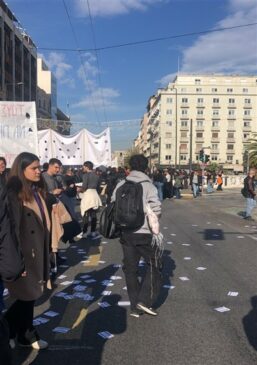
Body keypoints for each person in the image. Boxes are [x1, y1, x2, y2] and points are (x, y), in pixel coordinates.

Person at [4, 152, 51, 350]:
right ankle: (23, 334)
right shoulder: (14, 195)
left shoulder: (37, 191)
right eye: (34, 168)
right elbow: (11, 230)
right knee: (25, 297)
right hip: (24, 254)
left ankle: (16, 333)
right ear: (22, 170)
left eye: (39, 167)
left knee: (26, 297)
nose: (38, 171)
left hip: (38, 251)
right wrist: (17, 260)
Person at [112, 154, 162, 317]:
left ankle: (134, 306)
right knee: (155, 264)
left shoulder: (121, 184)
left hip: (125, 233)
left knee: (130, 269)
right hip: (143, 232)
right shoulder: (148, 185)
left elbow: (113, 205)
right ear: (146, 167)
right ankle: (144, 301)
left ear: (130, 168)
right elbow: (157, 209)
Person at [80, 161, 102, 238]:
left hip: (88, 195)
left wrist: (79, 189)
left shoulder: (86, 175)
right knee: (93, 215)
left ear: (86, 167)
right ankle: (93, 231)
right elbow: (99, 187)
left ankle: (85, 232)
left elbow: (84, 187)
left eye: (83, 167)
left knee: (86, 214)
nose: (83, 168)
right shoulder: (97, 175)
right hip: (95, 194)